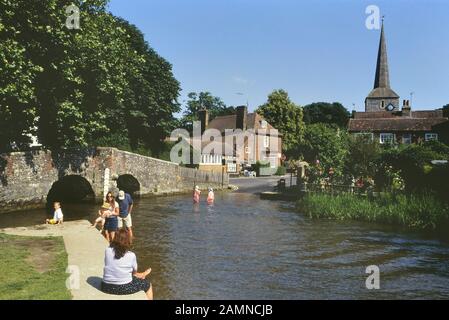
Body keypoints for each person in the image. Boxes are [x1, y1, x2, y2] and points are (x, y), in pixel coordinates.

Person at [101, 229, 153, 300]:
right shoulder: (131, 255)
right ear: (127, 241)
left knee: (132, 275)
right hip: (123, 287)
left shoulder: (107, 250)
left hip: (105, 287)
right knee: (148, 284)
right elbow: (134, 273)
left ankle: (142, 275)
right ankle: (142, 275)